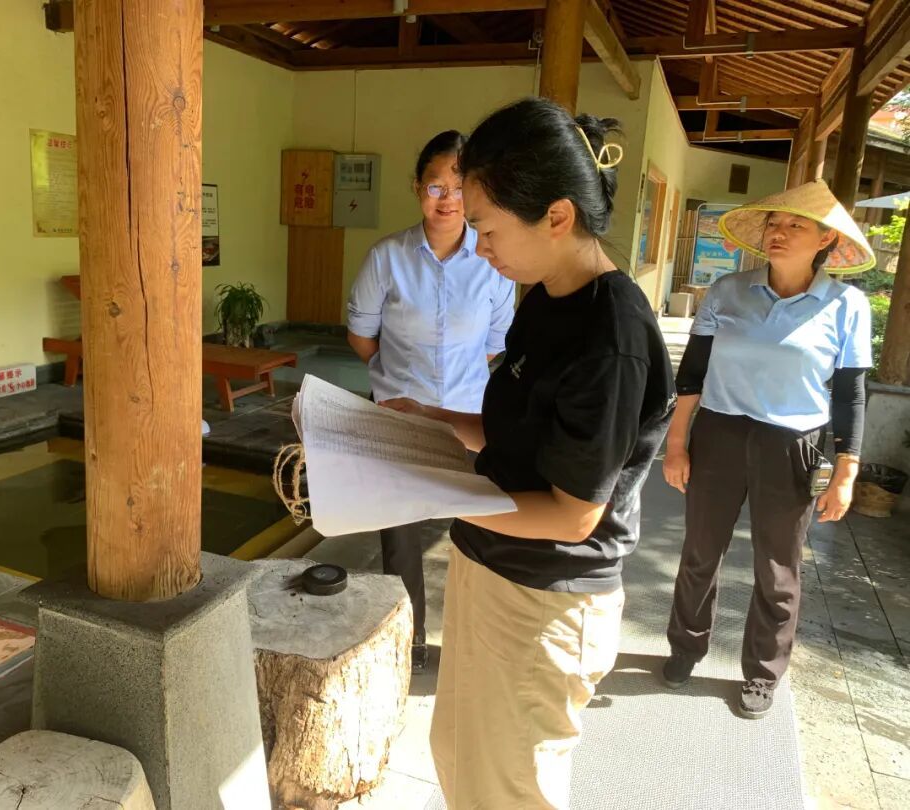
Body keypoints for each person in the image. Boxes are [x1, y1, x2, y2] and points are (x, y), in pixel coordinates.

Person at [380, 98, 676, 809]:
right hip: (491, 568)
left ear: (557, 216)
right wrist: (436, 421)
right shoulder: (545, 295)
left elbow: (573, 516)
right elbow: (518, 432)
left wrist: (435, 496)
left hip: (545, 600)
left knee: (511, 788)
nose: (479, 246)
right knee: (460, 758)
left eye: (487, 227)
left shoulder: (610, 337)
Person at [661, 180, 875, 720]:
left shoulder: (847, 304)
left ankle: (762, 672)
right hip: (719, 434)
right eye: (774, 224)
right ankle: (685, 646)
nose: (778, 233)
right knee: (700, 553)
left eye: (795, 226)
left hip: (793, 444)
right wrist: (677, 443)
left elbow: (850, 393)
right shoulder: (727, 290)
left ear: (825, 239)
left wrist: (846, 470)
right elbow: (693, 373)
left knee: (778, 567)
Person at [347, 129, 515, 670]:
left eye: (460, 188)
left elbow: (496, 343)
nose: (447, 199)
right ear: (417, 187)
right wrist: (395, 377)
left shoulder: (493, 260)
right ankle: (410, 643)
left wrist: (451, 388)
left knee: (475, 529)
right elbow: (362, 335)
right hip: (399, 418)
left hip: (469, 418)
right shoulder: (387, 257)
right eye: (436, 186)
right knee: (400, 538)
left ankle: (475, 643)